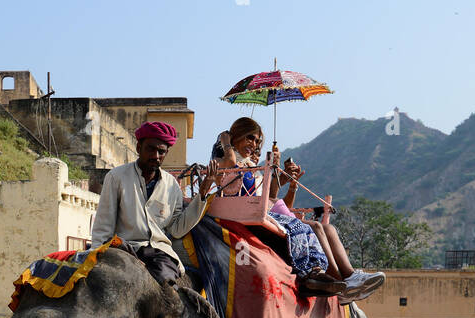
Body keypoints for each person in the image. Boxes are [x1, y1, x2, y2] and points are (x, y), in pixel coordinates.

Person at [212, 118, 385, 303]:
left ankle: (349, 275)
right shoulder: (223, 160)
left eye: (257, 141)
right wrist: (226, 140)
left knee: (327, 229)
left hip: (259, 212)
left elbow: (269, 198)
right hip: (240, 214)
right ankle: (341, 282)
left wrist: (282, 178)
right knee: (313, 228)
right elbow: (230, 162)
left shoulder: (252, 167)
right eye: (250, 138)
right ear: (236, 135)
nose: (254, 144)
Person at [89, 121, 211, 284]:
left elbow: (176, 229)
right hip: (124, 248)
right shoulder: (116, 177)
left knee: (164, 285)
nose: (156, 156)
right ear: (139, 148)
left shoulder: (172, 185)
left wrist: (202, 195)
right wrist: (96, 256)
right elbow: (103, 226)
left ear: (166, 153)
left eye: (161, 151)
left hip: (159, 252)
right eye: (151, 149)